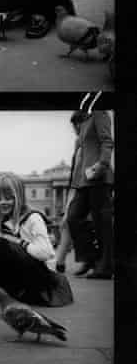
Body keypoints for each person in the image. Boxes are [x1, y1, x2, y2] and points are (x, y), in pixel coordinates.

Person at [0, 172, 73, 309]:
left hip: (44, 279)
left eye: (8, 198)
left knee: (0, 244)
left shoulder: (33, 218)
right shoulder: (4, 222)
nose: (2, 203)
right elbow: (5, 259)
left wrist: (19, 242)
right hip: (24, 273)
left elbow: (45, 253)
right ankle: (8, 289)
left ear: (18, 197)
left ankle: (19, 291)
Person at [66, 104, 114, 280]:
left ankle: (106, 266)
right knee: (73, 217)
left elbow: (107, 141)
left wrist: (103, 164)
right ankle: (91, 259)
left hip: (99, 177)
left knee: (102, 223)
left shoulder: (99, 112)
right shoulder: (85, 123)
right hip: (85, 181)